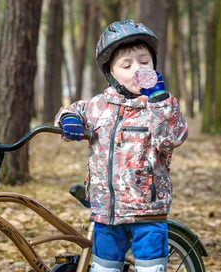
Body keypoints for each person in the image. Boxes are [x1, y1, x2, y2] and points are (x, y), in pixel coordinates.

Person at [55, 20, 188, 272]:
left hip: (147, 210)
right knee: (104, 267)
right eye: (127, 65)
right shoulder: (97, 105)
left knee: (150, 267)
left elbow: (172, 139)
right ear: (112, 73)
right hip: (105, 211)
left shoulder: (163, 105)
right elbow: (71, 109)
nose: (137, 69)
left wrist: (158, 101)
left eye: (144, 62)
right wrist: (69, 119)